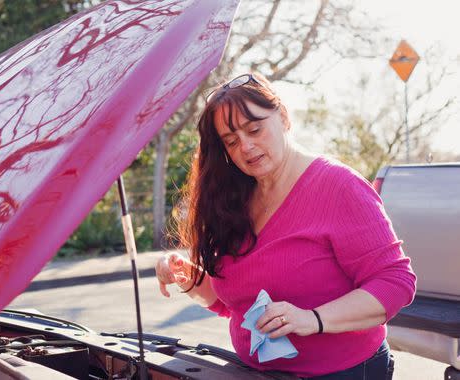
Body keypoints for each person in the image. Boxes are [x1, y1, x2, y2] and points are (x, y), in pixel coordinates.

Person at [155, 73, 416, 379]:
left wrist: (313, 319)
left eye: (255, 129)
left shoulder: (338, 186)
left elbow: (395, 283)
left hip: (343, 372)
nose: (246, 147)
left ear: (283, 117)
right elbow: (237, 301)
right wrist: (190, 278)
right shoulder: (236, 196)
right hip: (256, 372)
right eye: (231, 141)